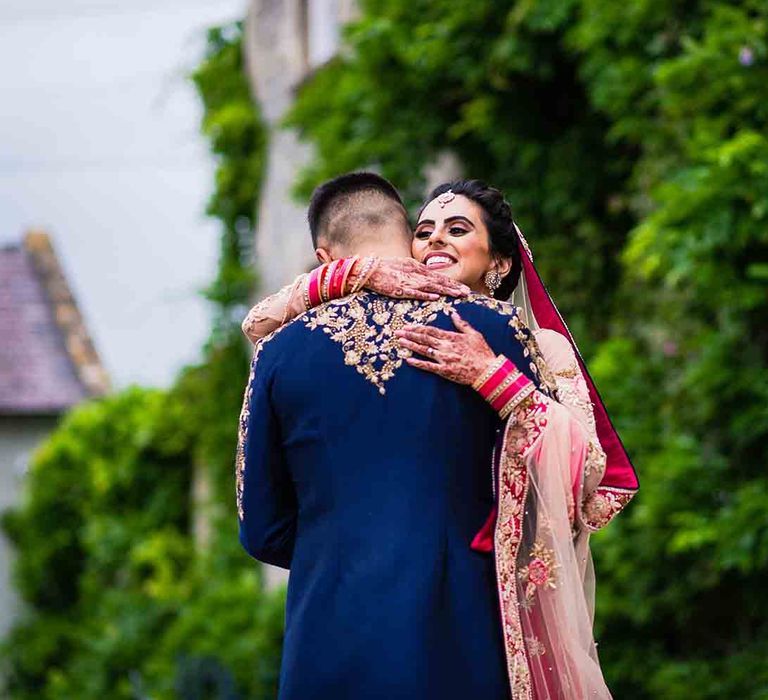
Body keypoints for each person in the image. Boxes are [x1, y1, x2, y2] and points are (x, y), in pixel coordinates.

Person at [237, 173, 639, 698]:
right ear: (405, 238)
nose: (436, 242)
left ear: (500, 261)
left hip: (329, 635)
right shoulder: (506, 334)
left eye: (457, 229)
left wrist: (343, 553)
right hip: (461, 628)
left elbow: (263, 529)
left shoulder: (279, 352)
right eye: (425, 231)